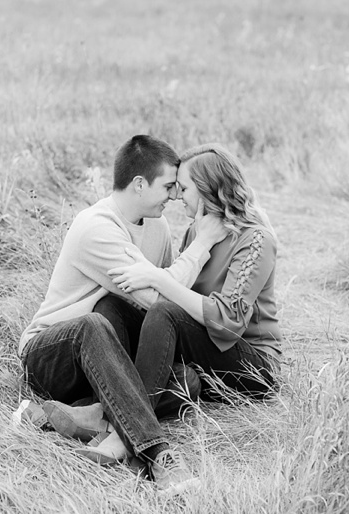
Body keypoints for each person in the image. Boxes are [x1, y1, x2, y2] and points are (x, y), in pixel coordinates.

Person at [14, 135, 227, 494]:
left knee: (186, 381)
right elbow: (160, 292)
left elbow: (161, 306)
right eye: (169, 186)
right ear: (139, 184)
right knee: (97, 318)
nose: (175, 197)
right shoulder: (95, 226)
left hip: (105, 361)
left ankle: (66, 414)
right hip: (53, 355)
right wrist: (203, 243)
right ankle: (157, 453)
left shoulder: (157, 229)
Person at [108, 143, 282, 411]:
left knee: (165, 312)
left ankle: (125, 423)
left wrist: (158, 279)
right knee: (112, 307)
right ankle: (102, 399)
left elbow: (230, 321)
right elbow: (182, 295)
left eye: (184, 188)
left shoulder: (256, 239)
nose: (177, 196)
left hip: (251, 366)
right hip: (204, 351)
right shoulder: (196, 234)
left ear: (208, 189)